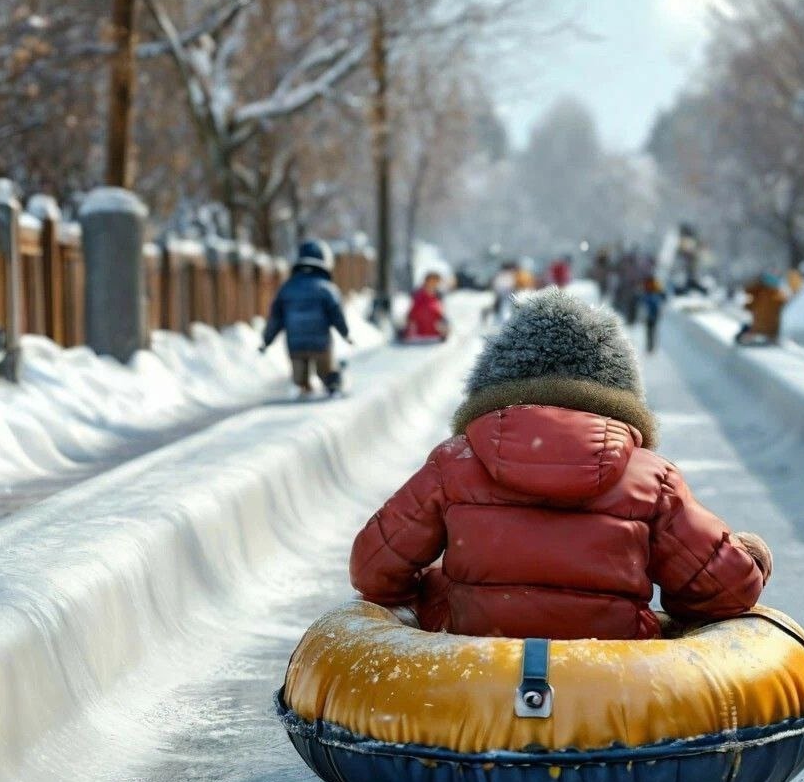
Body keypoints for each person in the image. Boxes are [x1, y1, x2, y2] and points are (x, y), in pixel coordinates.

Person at [348, 289, 772, 640]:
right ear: (619, 390)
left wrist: (435, 589)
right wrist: (750, 557)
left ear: (495, 381)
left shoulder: (454, 463)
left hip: (476, 672)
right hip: (618, 685)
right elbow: (723, 590)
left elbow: (373, 570)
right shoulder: (651, 478)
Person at [261, 239, 351, 396]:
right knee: (326, 371)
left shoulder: (287, 288)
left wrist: (267, 340)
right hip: (321, 343)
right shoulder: (327, 289)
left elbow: (276, 318)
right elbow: (336, 314)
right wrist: (345, 333)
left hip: (296, 345)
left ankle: (303, 385)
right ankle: (331, 381)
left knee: (299, 377)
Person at [737, 272, 788, 344]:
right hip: (772, 331)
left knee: (744, 330)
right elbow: (786, 302)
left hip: (757, 329)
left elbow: (747, 303)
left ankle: (749, 338)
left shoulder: (759, 295)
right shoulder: (778, 295)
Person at [403, 272, 449, 341]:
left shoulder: (438, 297)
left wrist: (444, 328)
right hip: (418, 333)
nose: (434, 285)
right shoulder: (418, 295)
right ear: (426, 281)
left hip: (434, 333)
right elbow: (411, 314)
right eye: (432, 282)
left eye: (436, 283)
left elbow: (441, 315)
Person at [639, 275, 666, 353]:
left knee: (650, 330)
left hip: (651, 313)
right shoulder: (654, 288)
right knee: (651, 330)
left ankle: (650, 346)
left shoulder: (650, 289)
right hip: (652, 313)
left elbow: (643, 300)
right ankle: (650, 346)